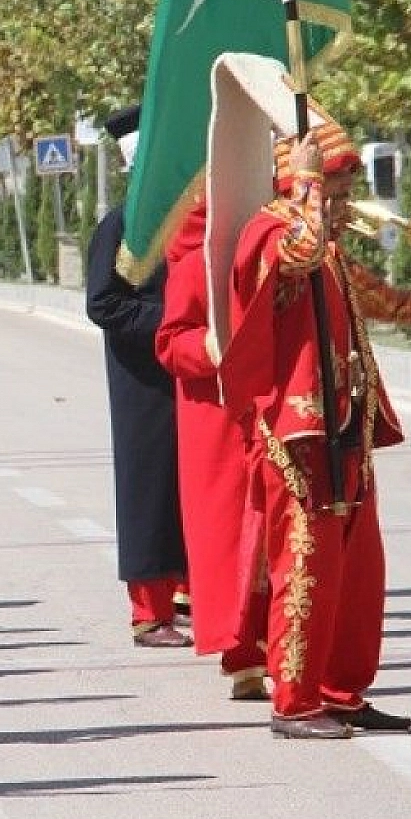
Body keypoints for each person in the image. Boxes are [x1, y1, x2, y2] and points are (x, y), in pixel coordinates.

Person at [221, 106, 411, 739]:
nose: (347, 206)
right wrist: (308, 183)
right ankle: (295, 702)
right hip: (297, 435)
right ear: (298, 181)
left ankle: (340, 690)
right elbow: (297, 252)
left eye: (347, 192)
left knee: (358, 572)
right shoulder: (267, 234)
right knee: (306, 567)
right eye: (337, 191)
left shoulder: (331, 249)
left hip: (348, 427)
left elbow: (384, 301)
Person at [155, 199, 271, 700]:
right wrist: (213, 345)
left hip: (274, 410)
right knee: (232, 544)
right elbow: (170, 343)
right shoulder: (192, 263)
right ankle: (243, 657)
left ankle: (288, 655)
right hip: (218, 424)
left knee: (279, 540)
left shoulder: (275, 250)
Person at [84, 107, 190, 648]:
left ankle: (191, 593)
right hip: (143, 378)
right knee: (149, 490)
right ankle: (148, 612)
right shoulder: (122, 225)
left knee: (192, 487)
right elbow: (103, 303)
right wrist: (172, 321)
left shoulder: (191, 220)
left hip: (192, 368)